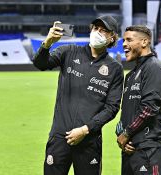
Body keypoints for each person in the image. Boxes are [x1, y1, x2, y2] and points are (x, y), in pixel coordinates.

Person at [32, 15, 124, 175]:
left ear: (112, 38)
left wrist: (85, 129)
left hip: (89, 140)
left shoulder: (115, 68)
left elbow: (112, 108)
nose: (98, 32)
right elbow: (40, 64)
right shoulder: (69, 51)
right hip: (60, 137)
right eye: (96, 28)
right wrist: (47, 44)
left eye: (104, 31)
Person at [116, 25, 161, 175]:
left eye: (129, 40)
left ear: (144, 42)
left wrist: (126, 134)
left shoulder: (154, 68)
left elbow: (150, 108)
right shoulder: (130, 75)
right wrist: (121, 136)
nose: (124, 44)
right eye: (123, 40)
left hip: (149, 148)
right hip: (130, 147)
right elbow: (125, 112)